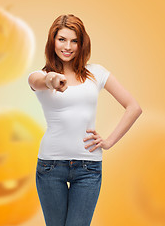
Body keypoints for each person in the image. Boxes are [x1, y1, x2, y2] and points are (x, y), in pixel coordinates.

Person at [27, 14, 142, 226]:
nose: (67, 46)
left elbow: (134, 107)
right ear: (52, 41)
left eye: (74, 40)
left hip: (88, 168)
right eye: (61, 39)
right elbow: (41, 81)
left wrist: (108, 142)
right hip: (50, 166)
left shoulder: (96, 73)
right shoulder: (39, 75)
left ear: (82, 43)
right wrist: (53, 80)